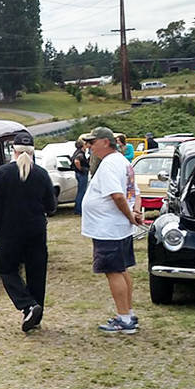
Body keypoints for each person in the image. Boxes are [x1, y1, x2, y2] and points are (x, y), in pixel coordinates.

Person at [0, 132, 57, 332]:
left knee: (6, 269)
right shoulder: (42, 174)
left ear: (14, 150)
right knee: (37, 273)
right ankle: (35, 316)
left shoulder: (3, 173)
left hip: (9, 231)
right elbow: (51, 206)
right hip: (36, 230)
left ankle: (27, 305)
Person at [81, 127, 142, 334]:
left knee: (113, 271)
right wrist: (135, 212)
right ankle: (128, 313)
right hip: (118, 227)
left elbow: (117, 195)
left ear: (106, 142)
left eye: (93, 142)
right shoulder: (123, 162)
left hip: (108, 228)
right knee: (122, 269)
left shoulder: (109, 164)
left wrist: (130, 216)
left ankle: (124, 319)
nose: (90, 146)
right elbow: (135, 192)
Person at [71, 137, 90, 215]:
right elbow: (77, 161)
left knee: (80, 190)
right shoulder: (80, 153)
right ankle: (79, 209)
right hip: (81, 174)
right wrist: (81, 169)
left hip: (78, 173)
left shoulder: (76, 152)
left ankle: (77, 208)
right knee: (82, 191)